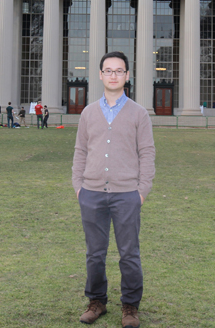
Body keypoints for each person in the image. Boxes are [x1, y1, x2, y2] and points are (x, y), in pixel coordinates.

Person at [72, 51, 155, 328]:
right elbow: (80, 151)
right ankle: (96, 302)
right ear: (100, 75)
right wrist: (79, 187)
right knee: (95, 253)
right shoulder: (88, 113)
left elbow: (147, 153)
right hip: (92, 193)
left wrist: (142, 191)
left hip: (126, 195)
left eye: (119, 71)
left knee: (129, 253)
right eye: (108, 70)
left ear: (127, 76)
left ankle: (130, 307)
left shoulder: (138, 113)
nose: (113, 75)